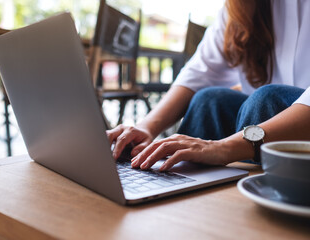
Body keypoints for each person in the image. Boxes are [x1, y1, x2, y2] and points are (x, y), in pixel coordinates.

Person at [107, 0, 310, 171]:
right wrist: (145, 128)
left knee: (265, 101)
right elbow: (200, 71)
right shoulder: (240, 8)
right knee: (210, 100)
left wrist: (223, 148)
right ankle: (176, 191)